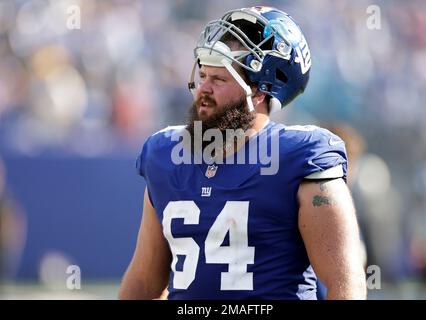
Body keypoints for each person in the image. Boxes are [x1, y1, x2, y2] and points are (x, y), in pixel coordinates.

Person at [119, 6, 367, 300]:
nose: (203, 89)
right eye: (203, 74)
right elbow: (144, 282)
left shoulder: (301, 158)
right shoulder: (165, 155)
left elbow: (345, 285)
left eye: (220, 79)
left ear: (260, 90)